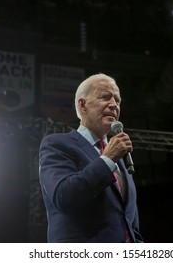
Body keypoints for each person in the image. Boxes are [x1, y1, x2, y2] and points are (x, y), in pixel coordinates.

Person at [39, 73, 144, 243]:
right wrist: (107, 159)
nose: (114, 105)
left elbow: (130, 222)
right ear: (83, 105)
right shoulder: (57, 144)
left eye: (117, 101)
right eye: (105, 97)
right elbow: (63, 197)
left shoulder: (121, 158)